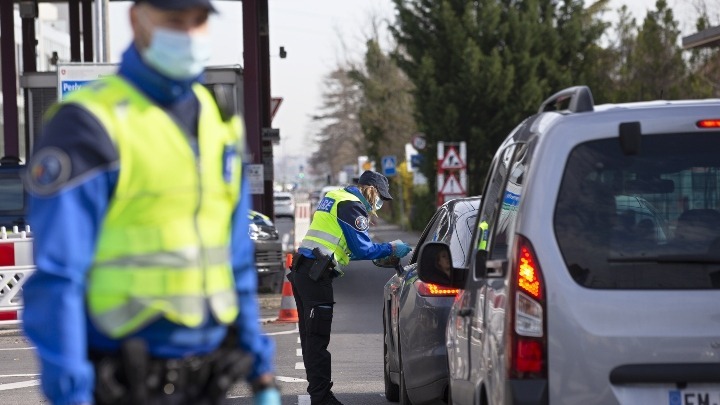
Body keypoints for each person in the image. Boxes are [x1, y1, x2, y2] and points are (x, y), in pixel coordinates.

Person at [21, 0, 280, 404]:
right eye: (174, 21)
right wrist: (69, 392)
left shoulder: (215, 120)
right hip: (123, 378)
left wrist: (262, 370)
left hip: (208, 378)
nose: (189, 34)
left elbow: (235, 258)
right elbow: (59, 276)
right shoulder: (89, 122)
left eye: (198, 21)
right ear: (136, 19)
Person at [289, 170, 412, 405]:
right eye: (381, 198)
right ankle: (322, 398)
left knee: (311, 339)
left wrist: (377, 252)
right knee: (317, 340)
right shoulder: (352, 206)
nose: (379, 204)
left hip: (304, 272)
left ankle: (319, 394)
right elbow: (364, 249)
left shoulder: (336, 197)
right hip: (316, 276)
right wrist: (392, 248)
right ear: (371, 190)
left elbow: (344, 248)